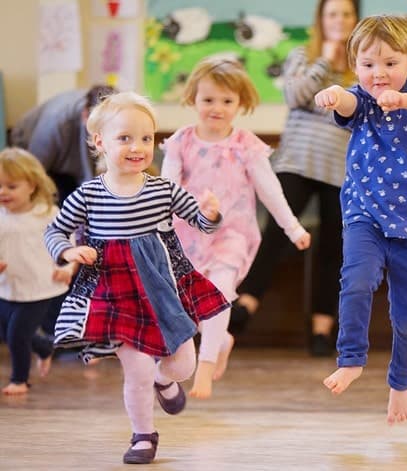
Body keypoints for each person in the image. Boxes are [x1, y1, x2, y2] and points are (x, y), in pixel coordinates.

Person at [44, 91, 228, 464]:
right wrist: (67, 252)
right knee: (137, 369)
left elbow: (201, 222)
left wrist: (210, 213)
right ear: (100, 142)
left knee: (182, 366)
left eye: (146, 139)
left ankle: (166, 380)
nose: (137, 147)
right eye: (125, 138)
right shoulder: (89, 194)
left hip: (163, 288)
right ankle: (143, 435)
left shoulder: (162, 190)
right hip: (115, 291)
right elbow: (54, 231)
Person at [314, 14, 407, 425]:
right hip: (365, 214)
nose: (379, 74)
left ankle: (401, 383)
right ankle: (351, 359)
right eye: (369, 64)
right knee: (356, 281)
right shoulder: (360, 98)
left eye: (391, 63)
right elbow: (348, 102)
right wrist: (335, 94)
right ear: (356, 65)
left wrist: (405, 99)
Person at [161, 57, 311, 399]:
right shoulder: (181, 142)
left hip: (232, 236)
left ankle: (206, 368)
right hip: (188, 236)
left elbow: (270, 191)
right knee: (190, 305)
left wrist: (292, 228)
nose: (217, 108)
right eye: (208, 99)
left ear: (240, 103)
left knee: (219, 294)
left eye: (227, 101)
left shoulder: (246, 146)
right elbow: (166, 190)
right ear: (193, 99)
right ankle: (222, 339)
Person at [234, 0, 359, 357]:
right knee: (276, 233)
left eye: (347, 14)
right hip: (297, 162)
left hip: (341, 169)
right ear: (321, 19)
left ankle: (322, 329)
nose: (340, 20)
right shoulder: (303, 55)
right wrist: (325, 61)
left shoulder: (362, 63)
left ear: (355, 19)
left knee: (334, 247)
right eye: (333, 13)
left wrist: (346, 63)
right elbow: (294, 96)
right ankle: (245, 306)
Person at [0, 148, 74, 395]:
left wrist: (69, 267)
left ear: (31, 185)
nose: (3, 192)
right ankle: (44, 347)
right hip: (7, 286)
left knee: (17, 334)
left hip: (39, 286)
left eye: (11, 186)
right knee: (9, 332)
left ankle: (19, 380)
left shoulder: (47, 214)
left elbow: (69, 243)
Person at [10, 85, 117, 203]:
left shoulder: (116, 110)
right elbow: (33, 170)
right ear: (85, 115)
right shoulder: (55, 122)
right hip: (30, 144)